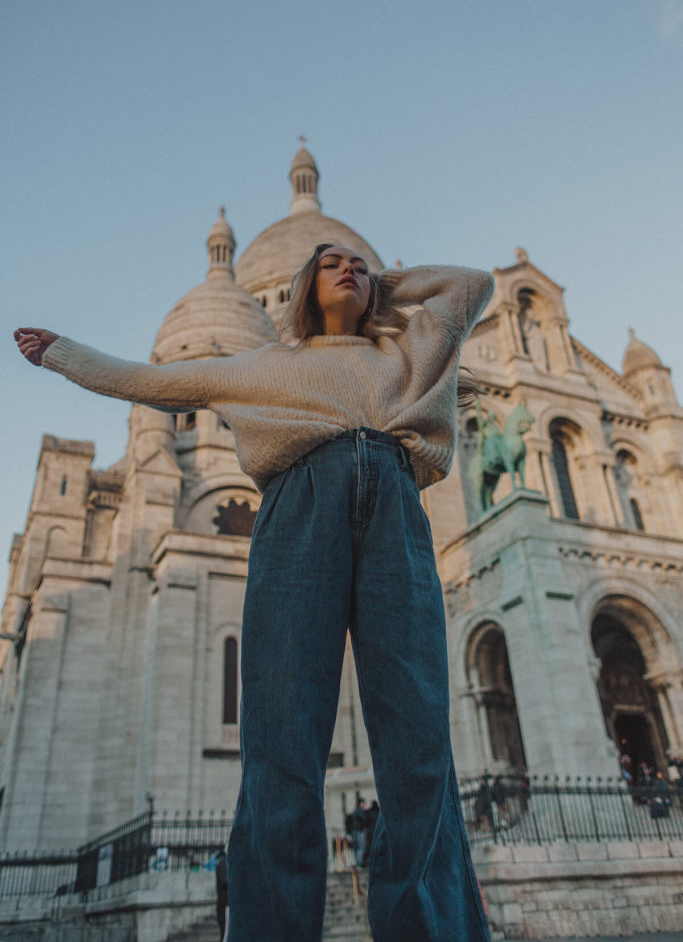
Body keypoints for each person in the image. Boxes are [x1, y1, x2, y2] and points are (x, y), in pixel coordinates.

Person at [15, 242, 493, 942]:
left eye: (359, 262)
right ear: (301, 287)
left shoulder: (410, 352)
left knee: (418, 740)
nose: (348, 268)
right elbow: (149, 382)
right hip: (299, 507)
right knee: (280, 739)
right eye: (331, 262)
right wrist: (61, 352)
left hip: (396, 507)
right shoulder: (263, 365)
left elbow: (473, 285)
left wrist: (380, 285)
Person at [349, 798, 367, 868]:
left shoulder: (354, 811)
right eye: (363, 803)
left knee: (357, 848)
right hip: (359, 830)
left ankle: (357, 862)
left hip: (354, 831)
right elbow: (364, 819)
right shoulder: (359, 811)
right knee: (361, 847)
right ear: (361, 803)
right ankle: (359, 863)